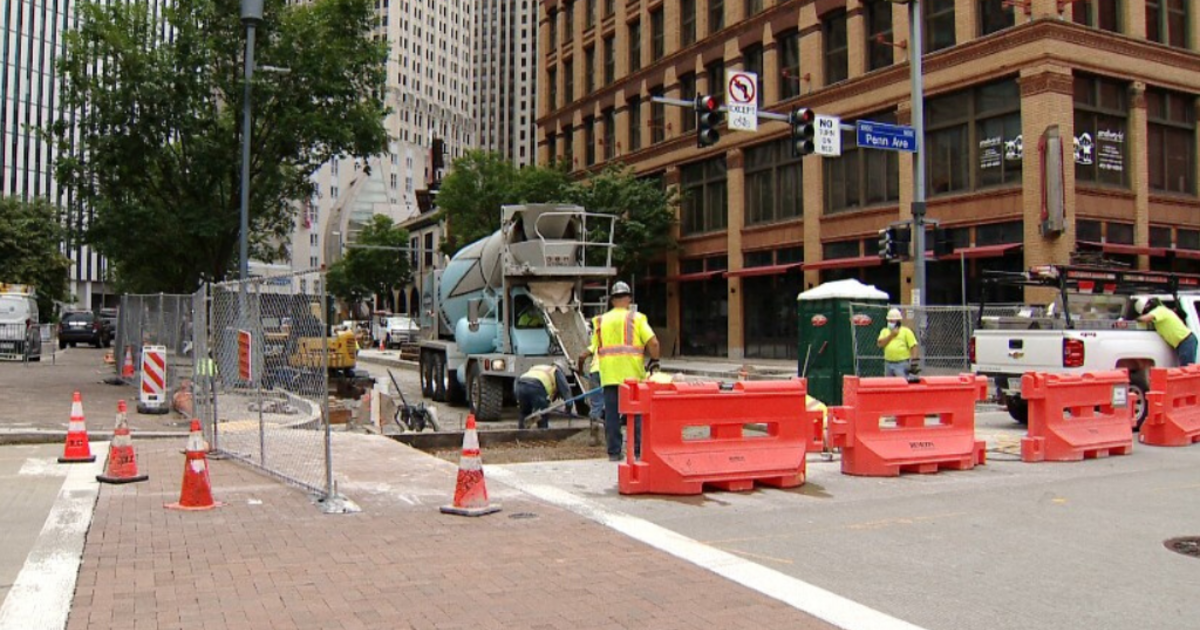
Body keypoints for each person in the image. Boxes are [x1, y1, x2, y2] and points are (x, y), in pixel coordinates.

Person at [577, 281, 660, 462]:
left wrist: (580, 363)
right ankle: (638, 451)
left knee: (612, 415)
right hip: (632, 376)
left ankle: (614, 452)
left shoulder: (600, 321)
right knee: (636, 414)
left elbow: (594, 348)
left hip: (609, 375)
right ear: (629, 298)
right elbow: (653, 342)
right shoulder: (637, 318)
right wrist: (654, 361)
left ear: (612, 300)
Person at [1135, 297, 1196, 366]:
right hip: (1183, 341)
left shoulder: (1159, 310)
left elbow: (1143, 319)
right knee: (1185, 366)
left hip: (1185, 340)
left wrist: (1136, 318)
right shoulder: (1160, 313)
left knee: (1187, 367)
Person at [515, 361, 574, 429]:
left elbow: (517, 379)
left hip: (520, 385)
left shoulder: (537, 368)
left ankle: (521, 435)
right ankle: (543, 433)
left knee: (524, 412)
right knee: (542, 414)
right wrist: (568, 407)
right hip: (536, 386)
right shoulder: (556, 371)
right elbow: (566, 390)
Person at [877, 308, 919, 378]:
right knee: (889, 384)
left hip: (902, 363)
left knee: (902, 382)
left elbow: (913, 346)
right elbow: (880, 344)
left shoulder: (906, 331)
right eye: (889, 321)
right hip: (888, 363)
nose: (890, 323)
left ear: (898, 322)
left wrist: (914, 362)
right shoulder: (884, 331)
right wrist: (891, 335)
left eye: (892, 321)